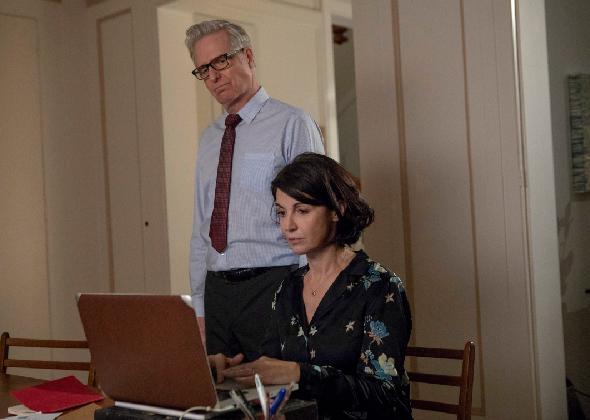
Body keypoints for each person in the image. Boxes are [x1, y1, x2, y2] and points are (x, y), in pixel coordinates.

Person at [223, 153, 413, 419]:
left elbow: (384, 394)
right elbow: (271, 368)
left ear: (338, 209)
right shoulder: (288, 288)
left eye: (302, 211)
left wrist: (300, 374)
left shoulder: (380, 286)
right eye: (281, 213)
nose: (288, 225)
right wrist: (228, 370)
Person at [185, 20, 325, 361]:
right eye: (203, 70)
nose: (213, 76)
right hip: (217, 293)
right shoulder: (209, 138)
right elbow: (202, 224)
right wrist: (200, 306)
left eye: (221, 61)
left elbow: (316, 214)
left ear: (248, 56)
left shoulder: (292, 123)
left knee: (280, 392)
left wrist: (313, 293)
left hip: (276, 285)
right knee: (222, 392)